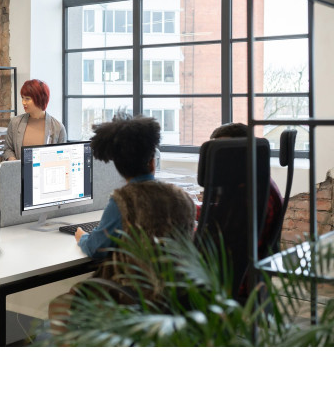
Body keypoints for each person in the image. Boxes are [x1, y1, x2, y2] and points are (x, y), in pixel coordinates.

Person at [48, 115, 195, 334]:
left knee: (59, 306)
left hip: (133, 296)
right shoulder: (182, 198)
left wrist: (82, 236)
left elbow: (96, 248)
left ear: (119, 168)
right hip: (178, 297)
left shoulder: (123, 201)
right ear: (152, 162)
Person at [207, 122, 285, 257]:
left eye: (224, 153)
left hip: (234, 267)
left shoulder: (247, 195)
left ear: (241, 153)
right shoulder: (257, 181)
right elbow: (224, 216)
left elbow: (223, 245)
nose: (218, 159)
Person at [2, 79, 66, 160]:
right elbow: (8, 149)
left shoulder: (58, 127)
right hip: (19, 168)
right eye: (22, 98)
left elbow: (62, 157)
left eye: (27, 99)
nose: (23, 102)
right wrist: (14, 162)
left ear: (39, 99)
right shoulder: (15, 122)